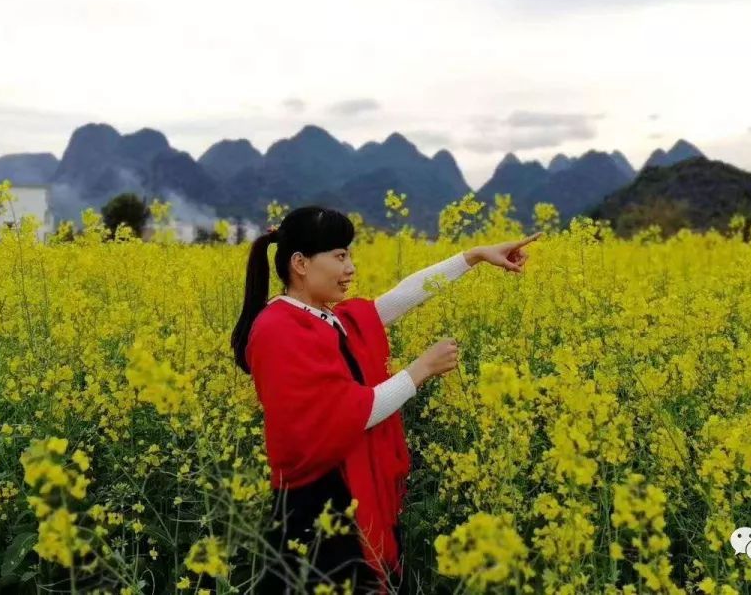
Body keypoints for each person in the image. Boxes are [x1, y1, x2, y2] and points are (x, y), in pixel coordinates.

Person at [231, 206, 541, 594]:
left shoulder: (324, 316)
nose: (350, 269)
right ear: (300, 263)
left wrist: (474, 256)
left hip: (346, 494)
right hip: (319, 503)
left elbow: (399, 298)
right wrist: (420, 370)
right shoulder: (280, 329)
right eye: (340, 256)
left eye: (350, 255)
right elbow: (349, 414)